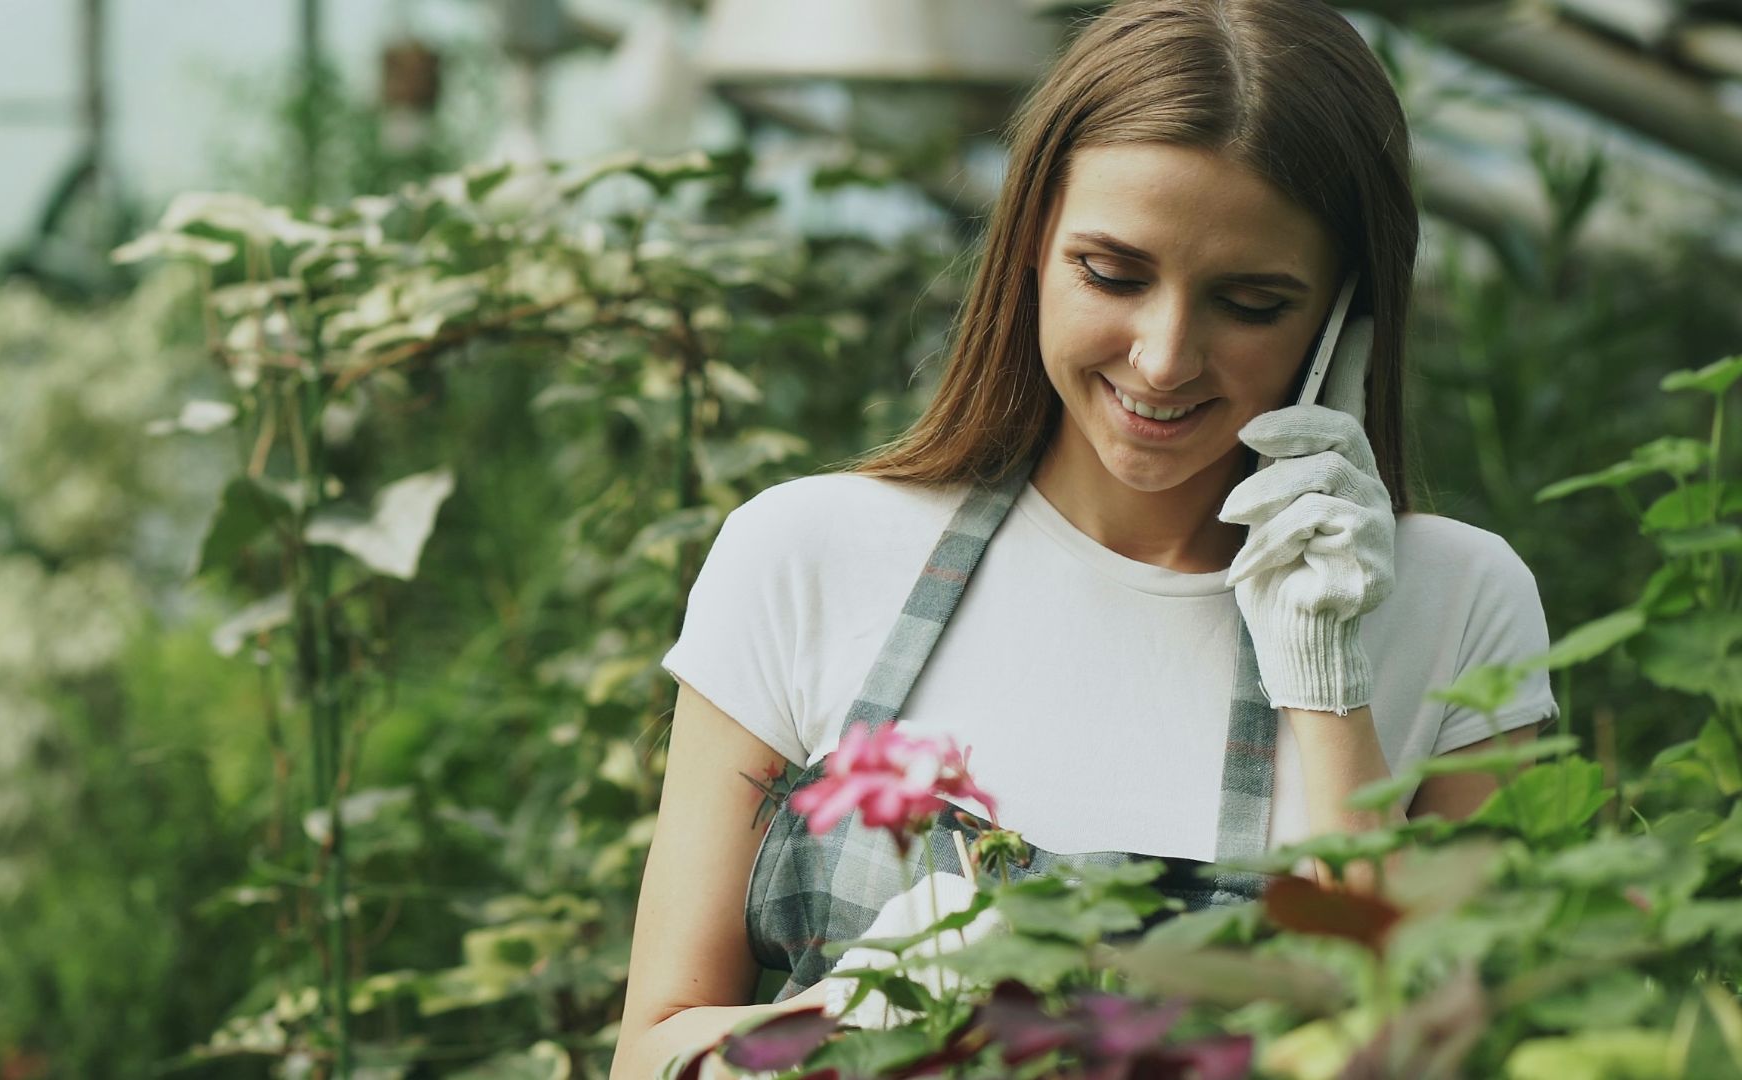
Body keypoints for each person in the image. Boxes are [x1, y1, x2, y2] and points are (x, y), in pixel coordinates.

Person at [608, 0, 1561, 1075]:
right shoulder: (805, 555)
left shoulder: (1459, 601)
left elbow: (1442, 1053)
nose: (1163, 358)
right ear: (1027, 251)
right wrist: (859, 1023)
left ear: (1347, 320)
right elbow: (651, 1051)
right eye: (1112, 274)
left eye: (1251, 303)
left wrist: (1329, 688)